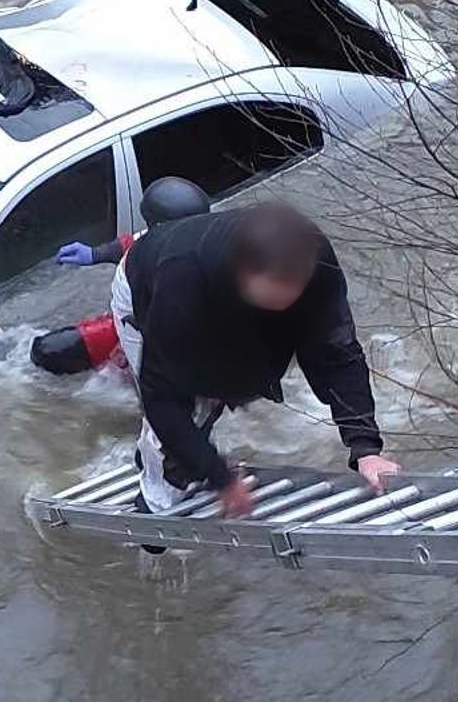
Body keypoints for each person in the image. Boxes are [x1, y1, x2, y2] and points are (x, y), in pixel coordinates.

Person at [121, 201, 398, 517]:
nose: (287, 303)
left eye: (294, 293)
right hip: (144, 283)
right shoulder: (181, 284)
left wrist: (365, 448)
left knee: (234, 382)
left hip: (223, 293)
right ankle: (154, 503)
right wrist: (221, 479)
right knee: (181, 423)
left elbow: (338, 353)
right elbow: (161, 397)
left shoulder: (314, 257)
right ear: (242, 273)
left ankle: (192, 450)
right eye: (274, 297)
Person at [29, 175, 213, 376]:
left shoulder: (214, 260)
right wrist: (95, 254)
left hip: (170, 344)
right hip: (128, 325)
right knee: (46, 350)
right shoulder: (152, 244)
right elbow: (132, 243)